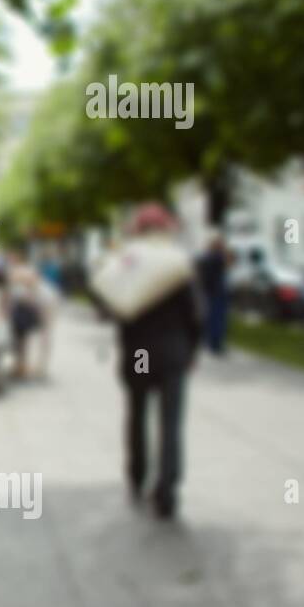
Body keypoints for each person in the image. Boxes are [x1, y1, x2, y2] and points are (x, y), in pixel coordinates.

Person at [111, 203, 204, 520]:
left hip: (140, 353)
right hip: (173, 352)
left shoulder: (129, 262)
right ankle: (167, 491)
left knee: (137, 413)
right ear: (165, 229)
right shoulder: (178, 263)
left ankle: (137, 476)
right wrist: (192, 350)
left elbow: (115, 307)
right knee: (171, 422)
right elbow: (196, 313)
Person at [2, 249, 44, 380]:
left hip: (25, 308)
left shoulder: (26, 271)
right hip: (16, 308)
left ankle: (21, 366)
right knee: (16, 339)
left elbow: (34, 285)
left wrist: (21, 280)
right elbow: (6, 293)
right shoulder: (10, 272)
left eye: (12, 258)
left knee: (23, 339)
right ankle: (18, 365)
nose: (10, 260)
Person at [195, 230, 232, 355]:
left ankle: (210, 342)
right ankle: (216, 344)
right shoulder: (217, 257)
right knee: (218, 319)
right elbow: (228, 264)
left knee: (210, 317)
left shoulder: (205, 257)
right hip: (217, 291)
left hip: (208, 291)